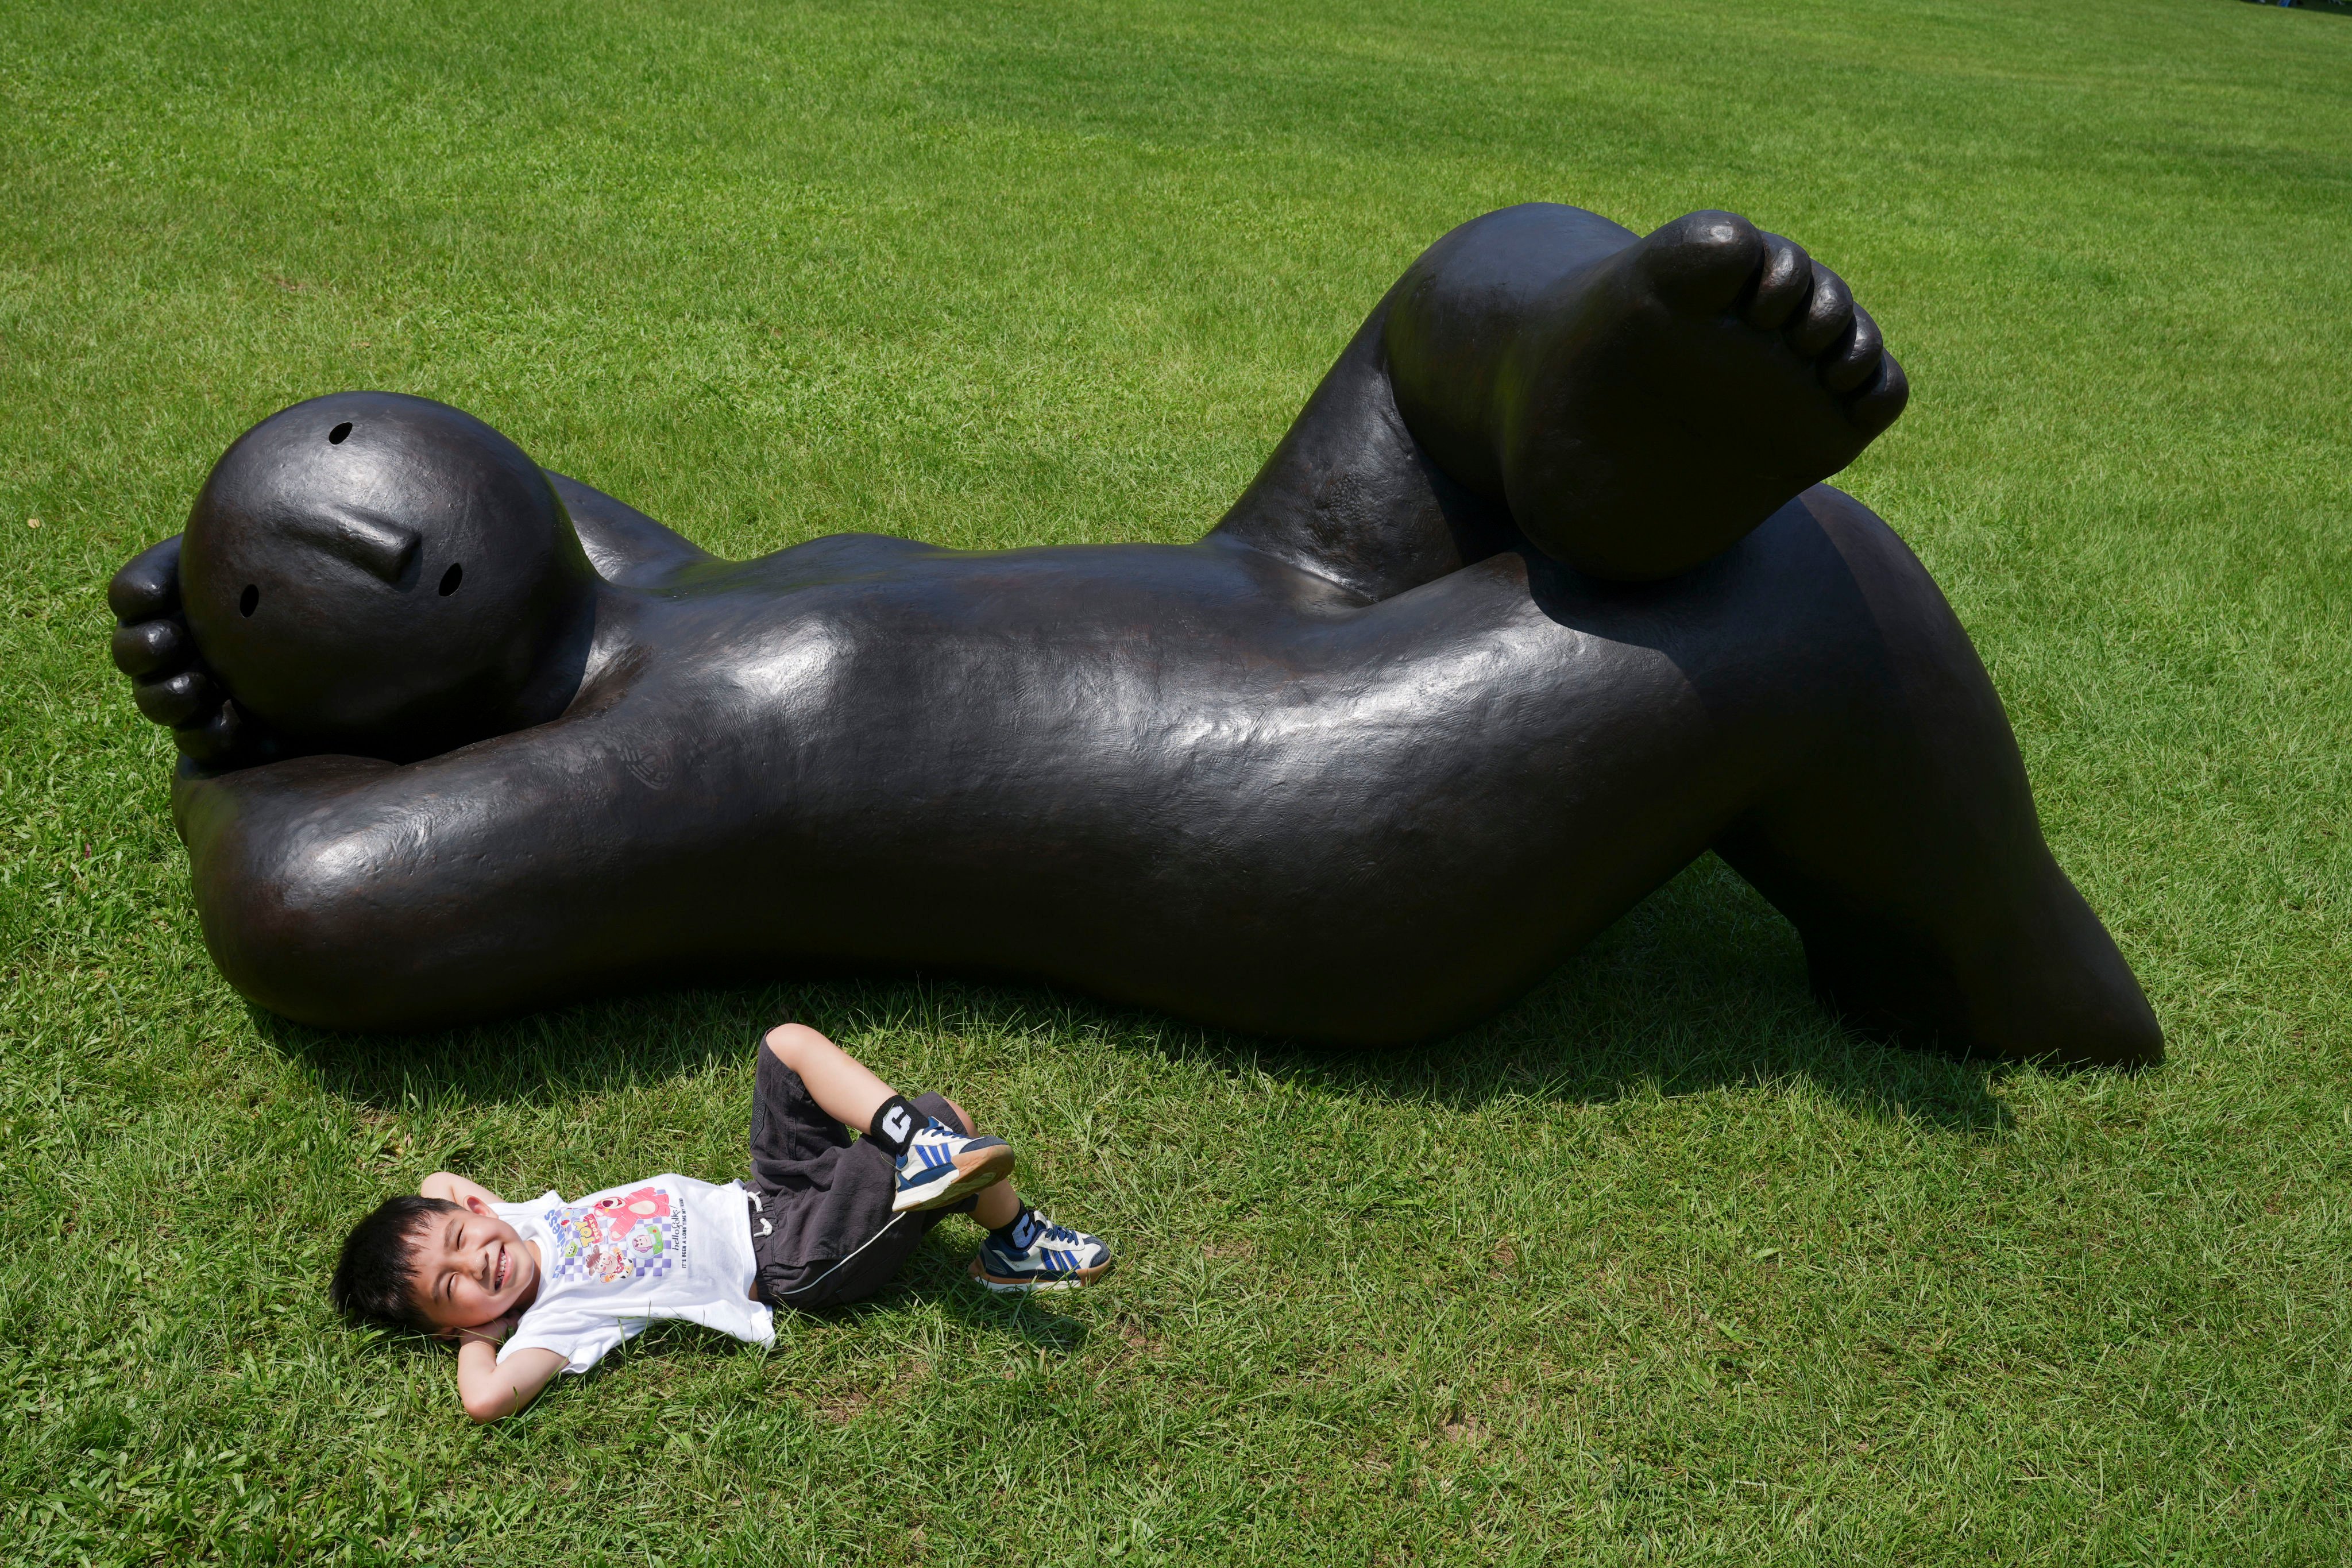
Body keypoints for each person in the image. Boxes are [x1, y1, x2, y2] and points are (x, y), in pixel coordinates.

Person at [106, 203, 2160, 1067]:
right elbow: (309, 910)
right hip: (1303, 812)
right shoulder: (639, 754)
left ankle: (1570, 414)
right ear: (421, 658)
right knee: (1787, 586)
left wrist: (249, 683)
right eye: (332, 550)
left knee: (1474, 275)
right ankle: (1987, 971)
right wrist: (234, 763)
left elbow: (529, 513)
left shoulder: (634, 593)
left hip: (1277, 584)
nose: (368, 485)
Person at [329, 1022, 1113, 1422]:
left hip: (766, 1191)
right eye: (453, 1285)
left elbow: (439, 1183)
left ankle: (926, 1149)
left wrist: (461, 1237)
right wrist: (478, 1332)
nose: (479, 1264)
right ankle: (1012, 1241)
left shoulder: (520, 1221)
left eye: (465, 1241)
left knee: (786, 1045)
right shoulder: (552, 1322)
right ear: (450, 1325)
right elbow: (486, 1399)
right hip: (795, 1254)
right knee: (943, 1110)